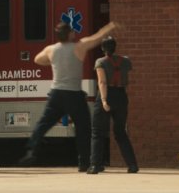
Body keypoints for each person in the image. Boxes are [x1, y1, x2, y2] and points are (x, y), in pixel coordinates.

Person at [18, 21, 122, 172]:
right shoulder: (79, 46)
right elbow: (98, 37)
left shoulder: (51, 49)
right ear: (69, 34)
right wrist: (111, 26)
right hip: (74, 95)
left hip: (56, 94)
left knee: (44, 123)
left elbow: (37, 59)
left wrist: (53, 62)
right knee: (83, 128)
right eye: (72, 31)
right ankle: (84, 162)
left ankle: (31, 150)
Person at [87, 36, 139, 174]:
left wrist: (104, 100)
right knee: (120, 132)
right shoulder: (126, 61)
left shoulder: (100, 62)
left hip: (107, 94)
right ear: (115, 47)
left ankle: (95, 165)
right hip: (121, 96)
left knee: (97, 131)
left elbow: (102, 82)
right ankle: (132, 165)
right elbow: (125, 74)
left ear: (102, 48)